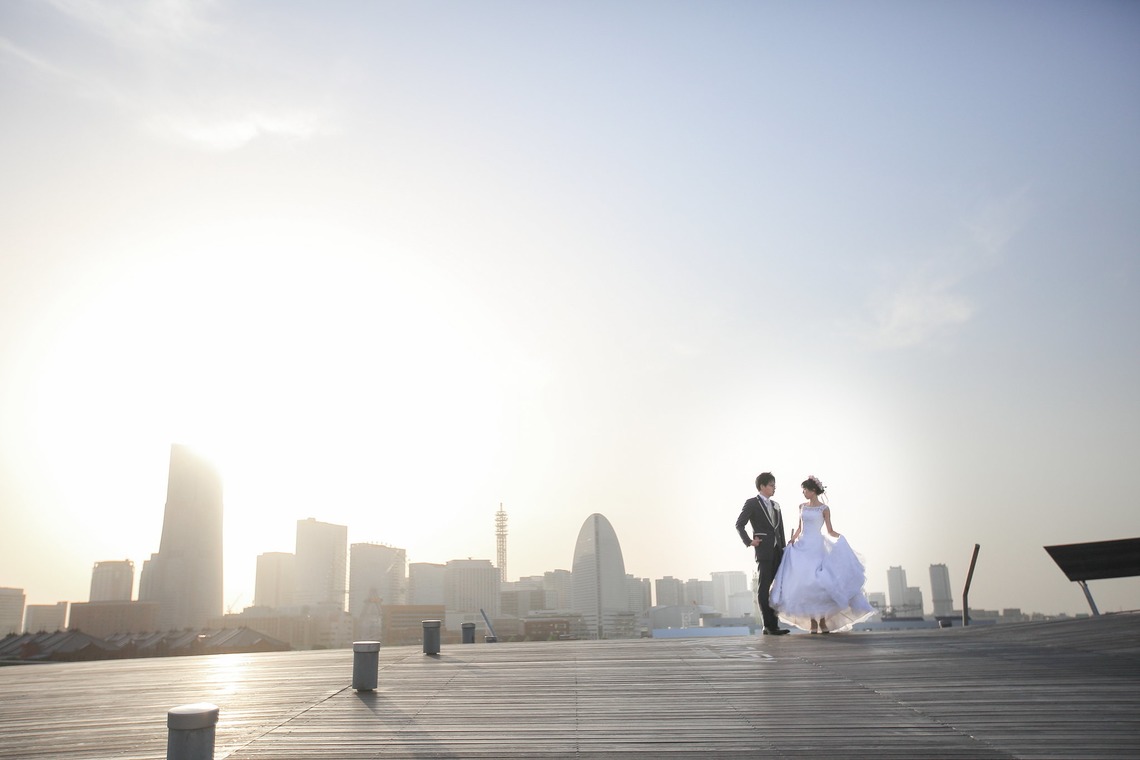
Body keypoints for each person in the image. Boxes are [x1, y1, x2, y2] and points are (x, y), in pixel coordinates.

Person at [769, 475, 875, 633]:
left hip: (818, 546)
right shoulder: (801, 507)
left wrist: (840, 537)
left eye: (805, 489)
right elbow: (799, 527)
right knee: (805, 582)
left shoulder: (824, 509)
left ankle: (823, 620)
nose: (803, 492)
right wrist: (792, 539)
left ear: (813, 490)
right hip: (803, 546)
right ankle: (812, 621)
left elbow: (830, 530)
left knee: (821, 583)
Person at [735, 472, 789, 635]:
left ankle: (775, 624)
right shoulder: (752, 503)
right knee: (764, 588)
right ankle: (768, 625)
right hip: (764, 551)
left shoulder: (776, 505)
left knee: (777, 588)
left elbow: (780, 530)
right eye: (772, 485)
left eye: (774, 485)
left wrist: (784, 549)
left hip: (778, 551)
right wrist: (749, 541)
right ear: (762, 487)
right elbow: (739, 524)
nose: (774, 488)